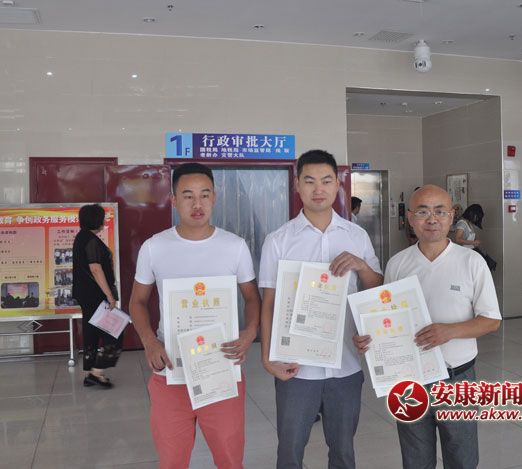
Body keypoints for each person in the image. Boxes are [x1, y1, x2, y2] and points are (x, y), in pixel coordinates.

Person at [353, 185, 501, 469]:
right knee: (415, 459)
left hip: (457, 378)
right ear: (410, 218)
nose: (432, 219)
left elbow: (491, 320)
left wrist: (450, 331)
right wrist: (368, 338)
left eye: (440, 211)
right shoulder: (398, 264)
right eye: (422, 212)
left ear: (451, 216)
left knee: (462, 458)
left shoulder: (471, 262)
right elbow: (387, 318)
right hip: (409, 380)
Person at [129, 162, 261, 469]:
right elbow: (138, 301)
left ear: (214, 197)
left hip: (221, 368)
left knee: (230, 459)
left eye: (204, 194)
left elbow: (252, 297)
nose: (197, 203)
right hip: (171, 371)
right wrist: (149, 341)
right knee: (172, 460)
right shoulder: (154, 247)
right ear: (174, 200)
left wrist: (250, 331)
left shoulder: (234, 246)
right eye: (188, 196)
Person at [259, 149, 383, 469]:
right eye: (309, 181)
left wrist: (361, 266)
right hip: (296, 367)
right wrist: (267, 357)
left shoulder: (356, 236)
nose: (318, 189)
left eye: (326, 181)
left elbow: (377, 290)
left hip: (346, 364)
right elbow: (269, 302)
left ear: (338, 185)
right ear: (297, 185)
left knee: (343, 451)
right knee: (290, 451)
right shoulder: (279, 240)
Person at [72, 203, 122, 388]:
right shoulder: (91, 240)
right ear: (96, 220)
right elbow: (95, 268)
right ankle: (97, 372)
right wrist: (109, 295)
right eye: (102, 218)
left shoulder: (81, 238)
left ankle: (91, 372)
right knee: (115, 330)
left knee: (92, 332)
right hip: (95, 295)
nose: (104, 221)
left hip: (86, 295)